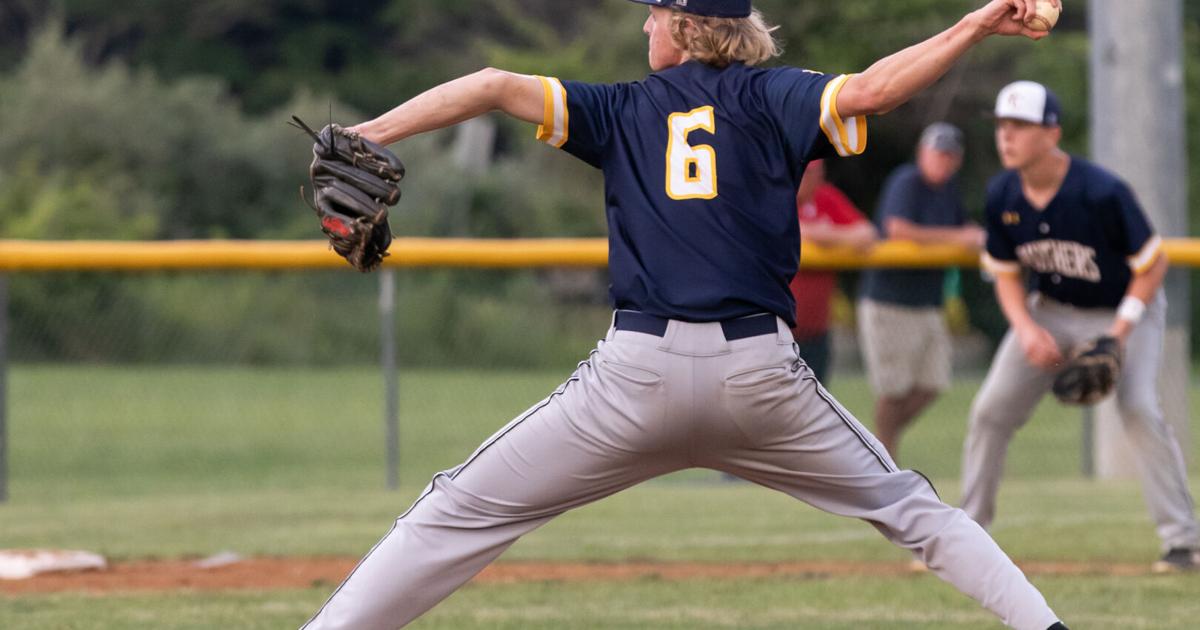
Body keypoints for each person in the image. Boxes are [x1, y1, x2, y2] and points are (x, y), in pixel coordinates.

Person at [301, 2, 1070, 629]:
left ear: (685, 24)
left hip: (633, 380)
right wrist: (975, 23)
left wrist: (367, 134)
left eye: (655, 13)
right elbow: (873, 90)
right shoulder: (776, 95)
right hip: (760, 380)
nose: (645, 25)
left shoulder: (619, 107)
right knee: (913, 509)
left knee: (457, 510)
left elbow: (493, 84)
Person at [961, 79, 1200, 574]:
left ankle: (1183, 542)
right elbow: (1005, 273)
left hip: (1122, 309)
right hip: (1047, 311)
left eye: (1020, 125)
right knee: (989, 412)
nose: (1006, 136)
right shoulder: (1002, 193)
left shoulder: (1101, 192)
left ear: (1052, 133)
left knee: (1138, 408)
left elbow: (1152, 266)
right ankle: (967, 536)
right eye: (1002, 125)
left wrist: (1117, 335)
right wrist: (1026, 329)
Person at [857, 122, 985, 460]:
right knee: (894, 389)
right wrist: (959, 238)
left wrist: (974, 234)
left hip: (928, 302)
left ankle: (874, 447)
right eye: (937, 153)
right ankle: (884, 462)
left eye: (949, 155)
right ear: (922, 153)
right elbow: (897, 229)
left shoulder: (949, 190)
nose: (943, 161)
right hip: (890, 302)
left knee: (933, 383)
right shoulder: (907, 181)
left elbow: (963, 229)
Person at [790, 159, 876, 382]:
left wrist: (820, 234)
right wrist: (821, 232)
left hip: (816, 329)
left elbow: (867, 233)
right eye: (808, 172)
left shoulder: (825, 196)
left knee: (817, 395)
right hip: (778, 331)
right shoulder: (774, 195)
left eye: (817, 172)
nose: (812, 178)